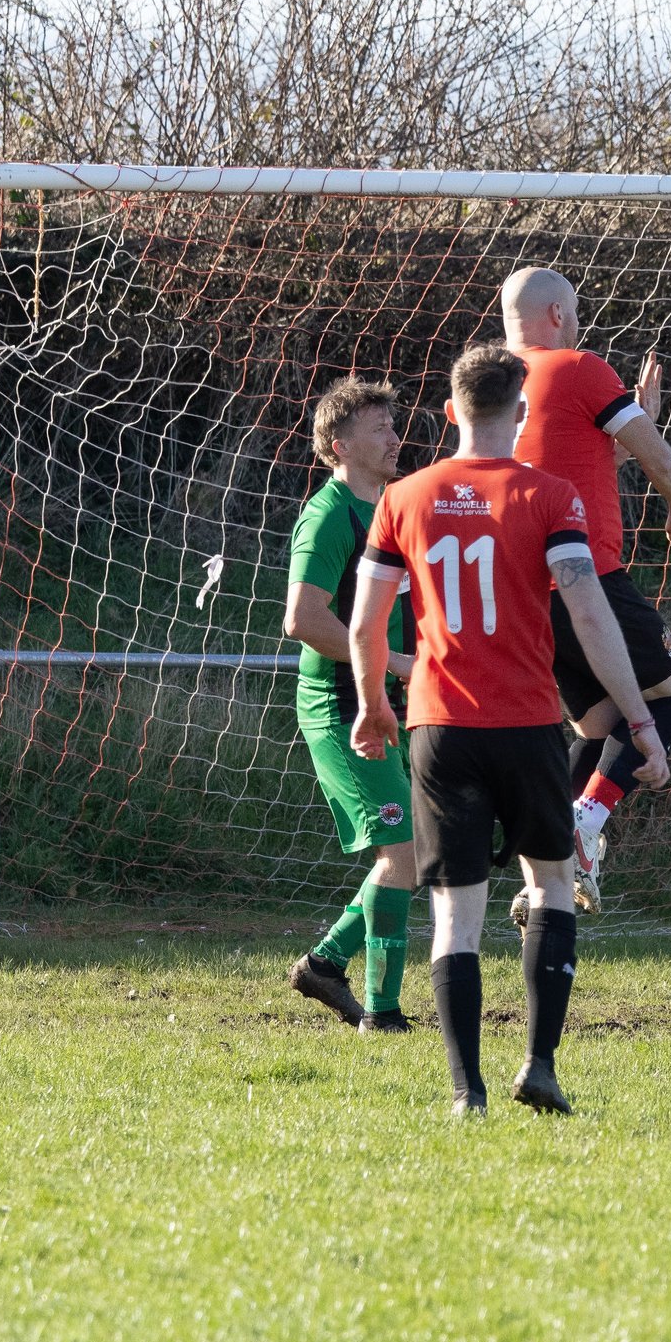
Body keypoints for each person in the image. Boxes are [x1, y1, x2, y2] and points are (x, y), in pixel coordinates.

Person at [349, 345, 669, 1117]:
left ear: (451, 413)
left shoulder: (404, 497)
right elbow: (591, 617)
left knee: (456, 915)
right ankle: (540, 1065)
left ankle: (467, 1094)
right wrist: (637, 717)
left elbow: (365, 622)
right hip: (527, 725)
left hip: (440, 726)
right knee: (552, 886)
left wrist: (371, 702)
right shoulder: (553, 496)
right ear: (520, 417)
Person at [503, 268, 671, 911]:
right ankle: (584, 825)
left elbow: (585, 456)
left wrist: (635, 424)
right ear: (559, 316)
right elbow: (656, 453)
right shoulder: (578, 367)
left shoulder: (491, 382)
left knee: (598, 725)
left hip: (520, 590)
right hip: (583, 577)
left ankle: (550, 864)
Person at [280, 378, 422, 1032]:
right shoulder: (330, 514)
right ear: (340, 446)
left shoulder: (394, 506)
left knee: (408, 850)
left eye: (395, 425)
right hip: (340, 707)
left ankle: (326, 963)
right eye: (379, 429)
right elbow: (304, 619)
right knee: (402, 851)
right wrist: (391, 663)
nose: (396, 437)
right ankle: (383, 1014)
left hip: (381, 702)